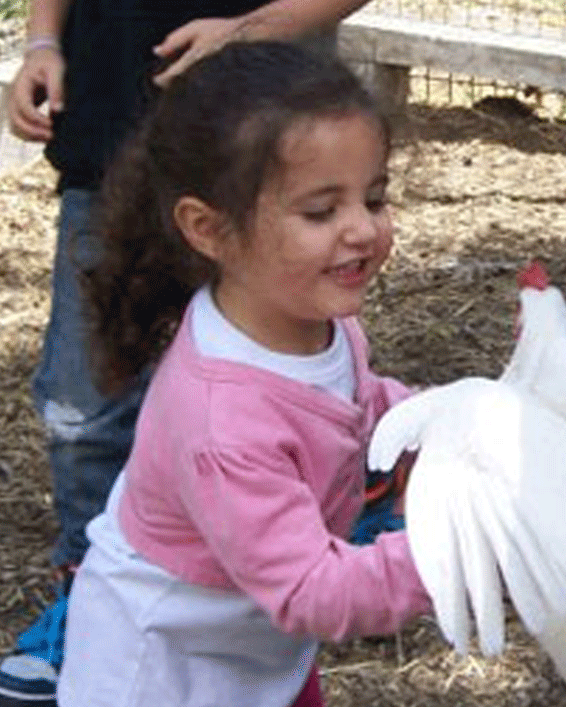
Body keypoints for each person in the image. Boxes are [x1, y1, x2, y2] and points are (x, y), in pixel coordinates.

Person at [0, 1, 375, 704]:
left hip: (253, 122)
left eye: (376, 198)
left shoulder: (319, 332)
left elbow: (360, 389)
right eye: (328, 212)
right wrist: (43, 38)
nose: (363, 229)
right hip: (170, 669)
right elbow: (314, 594)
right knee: (87, 409)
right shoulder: (221, 415)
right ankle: (83, 601)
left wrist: (252, 31)